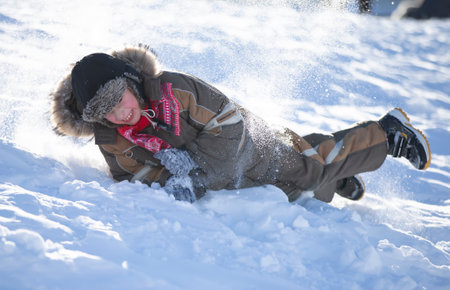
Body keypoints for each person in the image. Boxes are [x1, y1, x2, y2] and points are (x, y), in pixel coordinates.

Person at [51, 45, 431, 203]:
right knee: (287, 193)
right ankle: (338, 177)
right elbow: (131, 176)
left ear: (131, 84)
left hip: (247, 143)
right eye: (107, 113)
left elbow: (228, 122)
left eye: (120, 101)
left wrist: (195, 172)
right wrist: (171, 175)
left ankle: (387, 135)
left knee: (308, 170)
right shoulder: (112, 137)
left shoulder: (173, 89)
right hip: (222, 172)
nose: (120, 115)